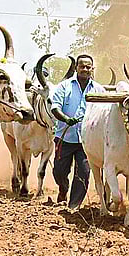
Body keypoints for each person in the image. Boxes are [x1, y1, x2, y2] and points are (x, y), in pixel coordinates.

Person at [49, 54, 96, 210]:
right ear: (76, 68)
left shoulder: (98, 90)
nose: (85, 69)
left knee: (83, 172)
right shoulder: (64, 86)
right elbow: (55, 108)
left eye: (88, 67)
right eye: (82, 66)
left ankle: (73, 206)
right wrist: (66, 119)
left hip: (87, 141)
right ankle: (63, 188)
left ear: (92, 69)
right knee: (59, 172)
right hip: (65, 137)